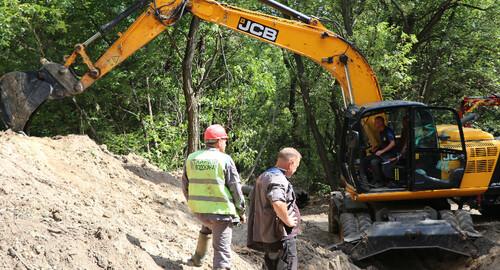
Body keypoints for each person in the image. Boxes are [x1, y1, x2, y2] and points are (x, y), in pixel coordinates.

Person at [182, 124, 246, 270]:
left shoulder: (192, 158)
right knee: (222, 251)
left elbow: (185, 186)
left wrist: (194, 204)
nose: (226, 143)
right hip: (221, 213)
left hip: (200, 211)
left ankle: (197, 258)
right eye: (225, 140)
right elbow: (235, 188)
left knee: (206, 228)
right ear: (218, 141)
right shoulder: (224, 159)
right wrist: (241, 211)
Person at [247, 147, 302, 270]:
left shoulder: (264, 176)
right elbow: (277, 202)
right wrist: (287, 220)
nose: (295, 170)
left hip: (269, 236)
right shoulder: (278, 179)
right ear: (291, 163)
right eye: (296, 166)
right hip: (281, 237)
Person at [364, 116, 397, 184]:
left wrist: (381, 151)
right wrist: (377, 148)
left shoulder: (387, 131)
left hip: (389, 155)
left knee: (374, 162)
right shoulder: (381, 132)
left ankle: (379, 181)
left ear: (381, 123)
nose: (374, 124)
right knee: (366, 160)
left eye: (376, 123)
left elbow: (392, 143)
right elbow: (384, 143)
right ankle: (370, 179)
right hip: (384, 154)